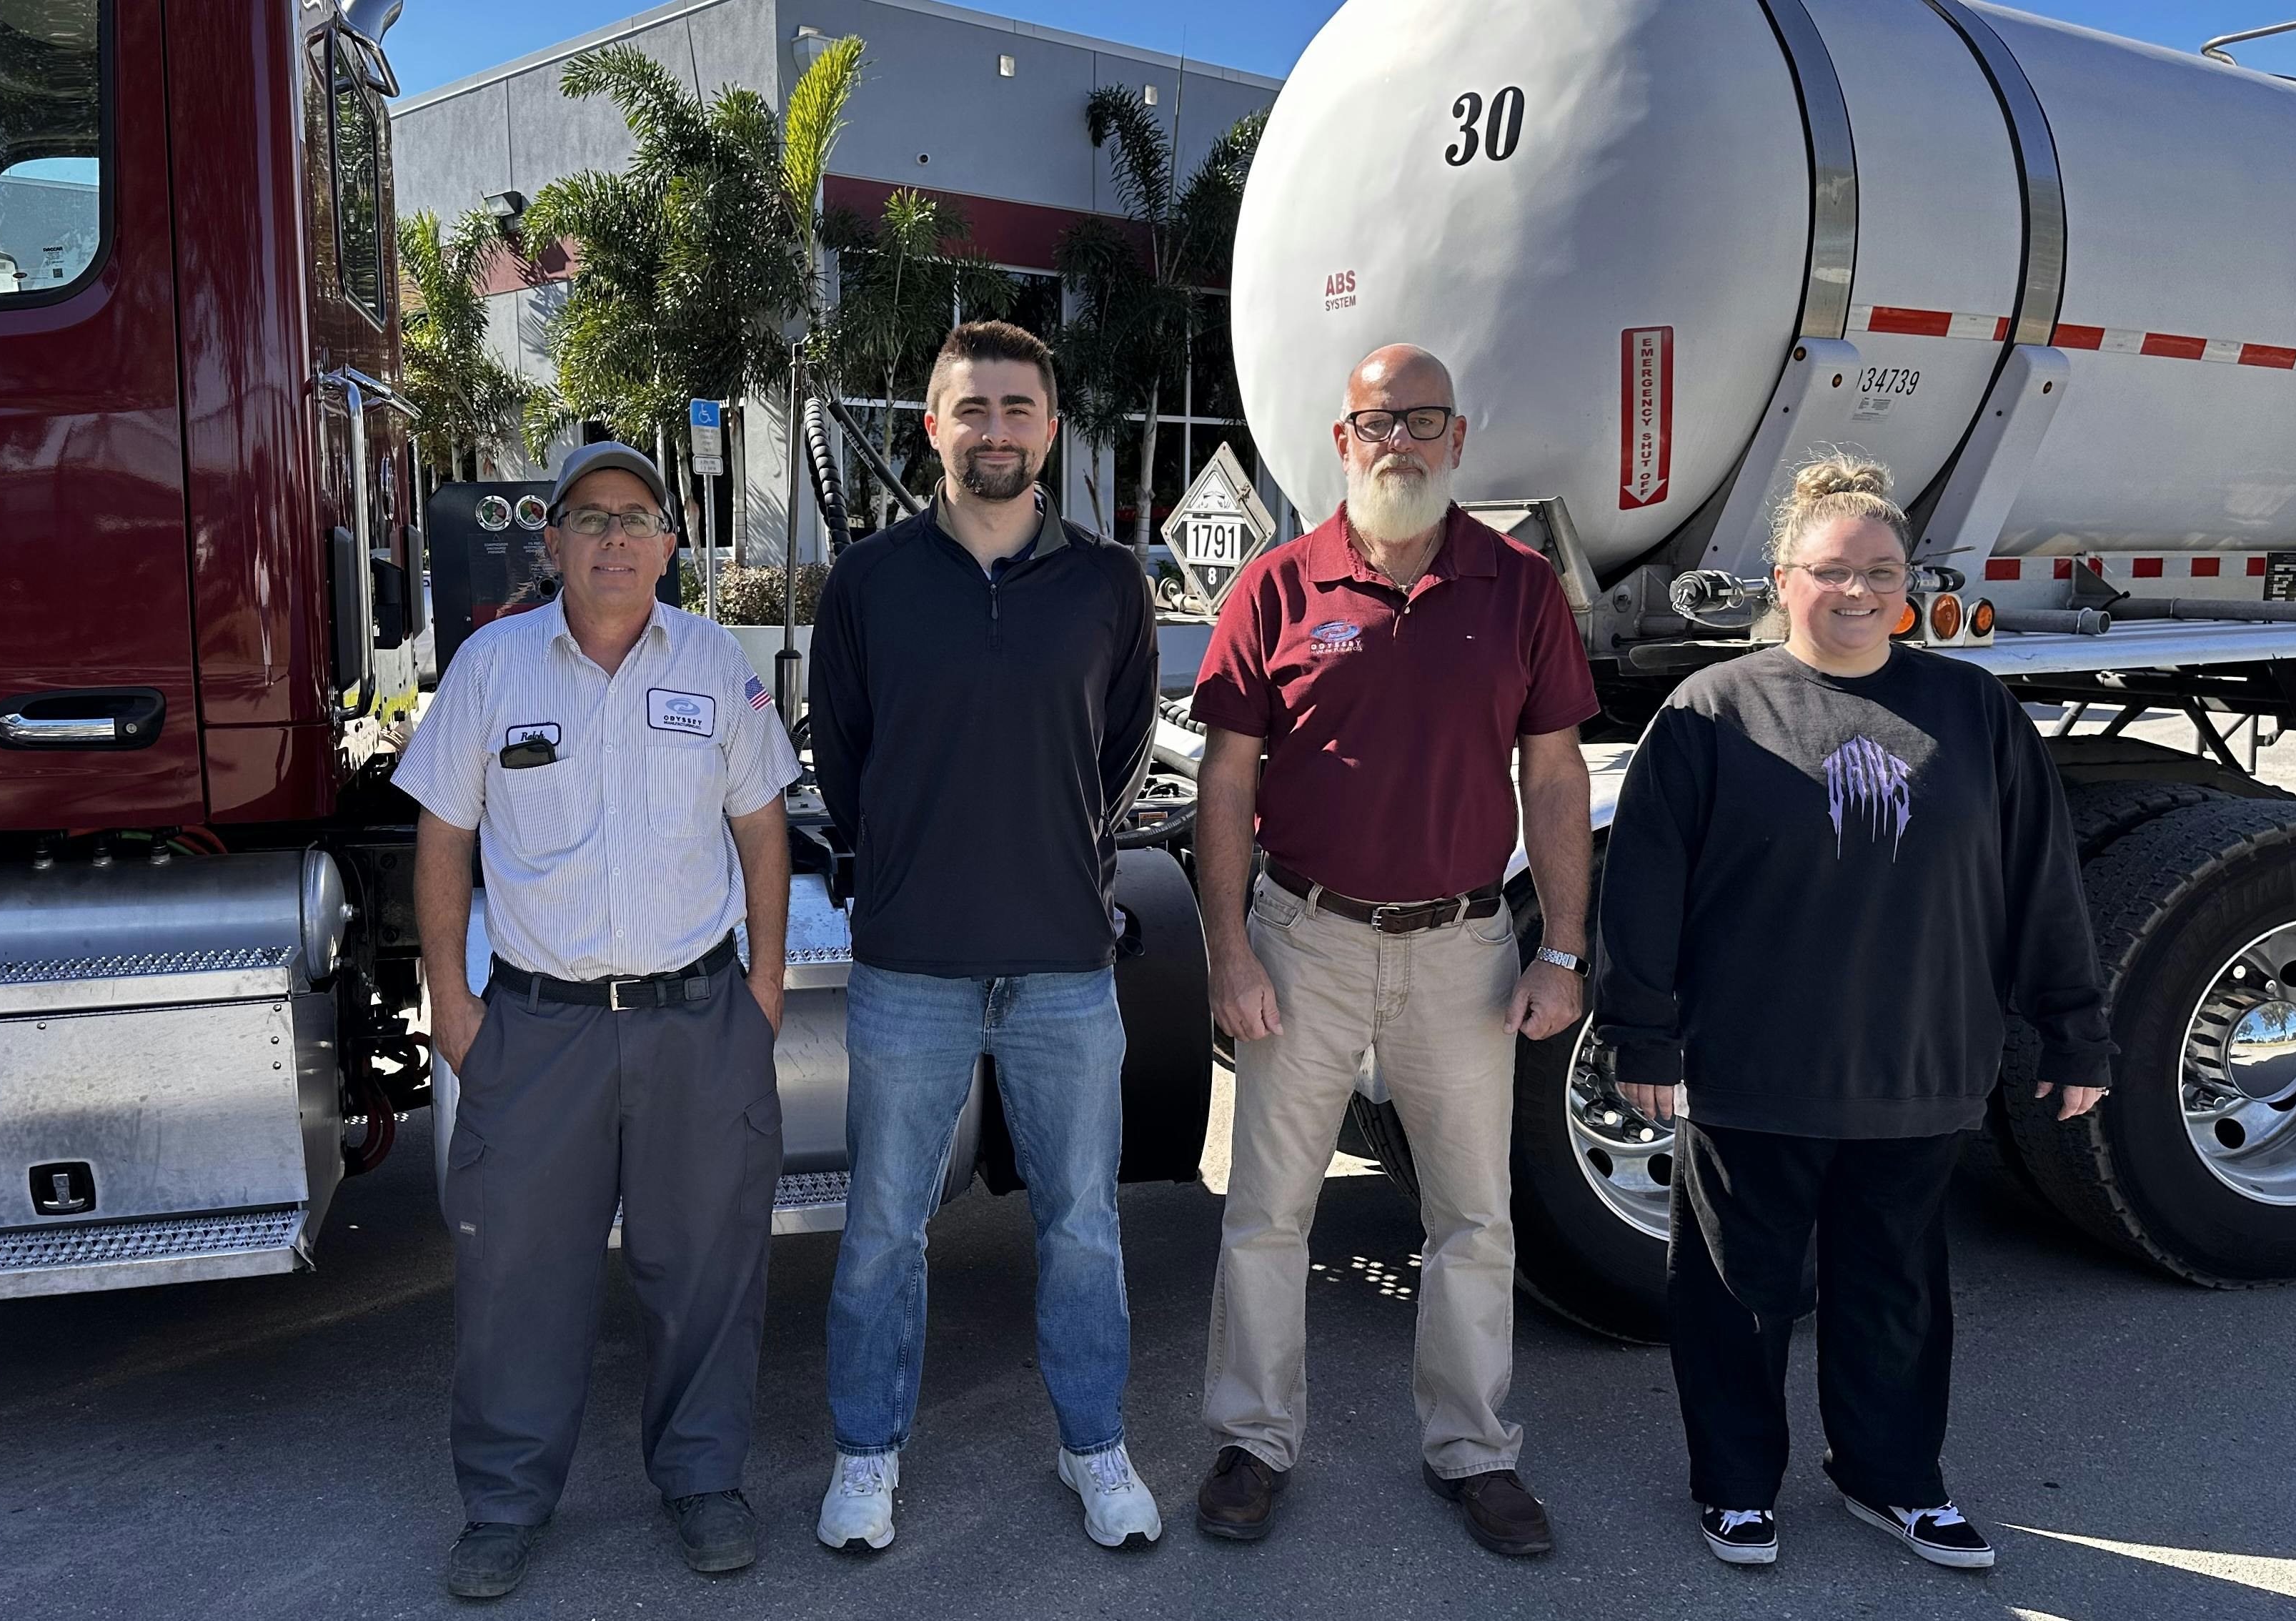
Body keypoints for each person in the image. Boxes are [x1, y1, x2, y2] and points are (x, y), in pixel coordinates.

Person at [1593, 455, 2110, 1571]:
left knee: (1896, 1293)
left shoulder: (1973, 709)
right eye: (1833, 570)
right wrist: (1641, 1032)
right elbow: (1642, 892)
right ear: (1784, 580)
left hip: (1920, 1066)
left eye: (1882, 570)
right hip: (1753, 1067)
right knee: (1738, 1293)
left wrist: (2076, 1028)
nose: (1859, 590)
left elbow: (2039, 879)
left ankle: (1893, 1479)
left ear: (1908, 584)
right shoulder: (1714, 711)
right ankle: (1736, 1487)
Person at [1185, 343, 1599, 1555]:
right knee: (1269, 1210)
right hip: (1302, 940)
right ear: (1343, 440)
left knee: (1474, 1216)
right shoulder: (1278, 587)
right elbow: (1226, 781)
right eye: (1378, 422)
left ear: (1459, 440)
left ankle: (1474, 1450)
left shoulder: (1519, 587)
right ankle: (1253, 1441)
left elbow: (1556, 776)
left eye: (1424, 421)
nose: (1400, 442)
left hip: (1463, 949)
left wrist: (1563, 950)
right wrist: (1228, 952)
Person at [399, 440, 801, 1600]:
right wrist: (452, 1001)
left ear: (670, 545)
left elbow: (763, 829)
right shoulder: (491, 667)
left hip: (699, 1020)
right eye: (590, 518)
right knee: (516, 1277)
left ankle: (704, 1480)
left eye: (636, 518)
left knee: (707, 1266)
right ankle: (504, 1504)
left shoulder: (716, 662)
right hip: (540, 1030)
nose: (615, 537)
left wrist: (765, 988)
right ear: (554, 543)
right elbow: (444, 838)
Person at [807, 320, 1163, 1552]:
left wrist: (1048, 851)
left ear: (1050, 430)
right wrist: (917, 861)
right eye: (972, 408)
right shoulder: (868, 583)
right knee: (882, 1229)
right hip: (911, 962)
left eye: (1018, 408)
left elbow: (1120, 756)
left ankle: (1094, 1445)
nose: (995, 430)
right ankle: (866, 1456)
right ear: (933, 426)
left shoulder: (1110, 584)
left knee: (1083, 1226)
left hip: (1065, 962)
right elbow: (844, 761)